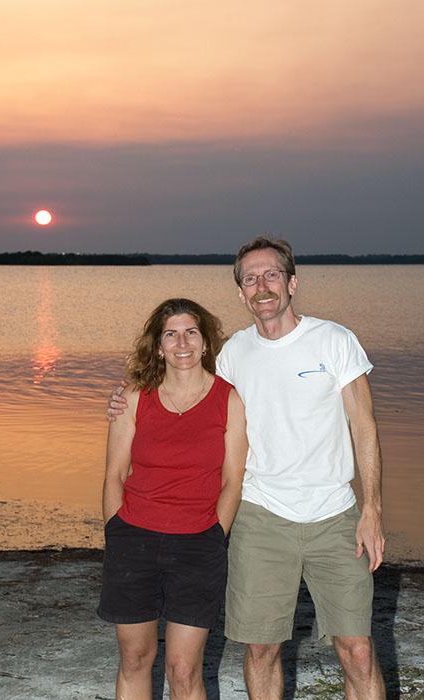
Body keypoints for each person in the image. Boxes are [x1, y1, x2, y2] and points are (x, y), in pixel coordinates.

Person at [109, 236, 386, 700]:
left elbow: (364, 425)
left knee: (357, 649)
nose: (262, 286)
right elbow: (185, 383)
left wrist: (372, 509)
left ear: (292, 283)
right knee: (260, 649)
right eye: (251, 279)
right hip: (260, 517)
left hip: (334, 514)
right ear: (240, 293)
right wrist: (125, 398)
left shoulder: (335, 340)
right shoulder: (233, 353)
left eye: (272, 274)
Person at [98, 297, 247, 700]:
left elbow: (233, 480)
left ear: (205, 341)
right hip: (133, 542)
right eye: (171, 334)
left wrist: (215, 534)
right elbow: (114, 474)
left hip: (198, 546)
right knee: (135, 659)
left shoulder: (229, 399)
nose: (182, 343)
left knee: (184, 669)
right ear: (159, 345)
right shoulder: (133, 397)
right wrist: (116, 531)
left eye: (191, 332)